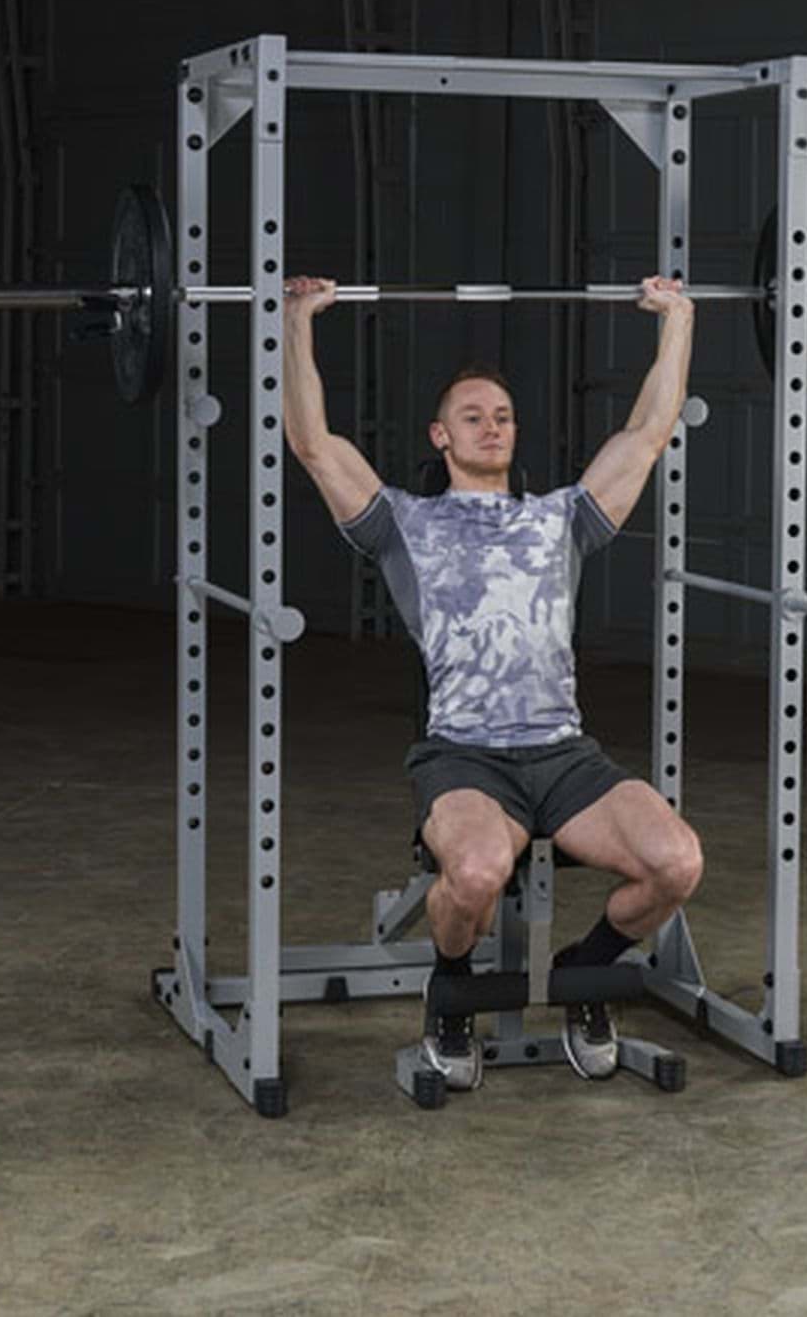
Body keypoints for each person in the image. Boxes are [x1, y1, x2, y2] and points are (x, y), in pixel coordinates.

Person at [282, 274, 704, 1090]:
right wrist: (298, 321)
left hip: (564, 755)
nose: (491, 426)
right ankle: (450, 994)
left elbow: (648, 433)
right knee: (475, 875)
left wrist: (678, 319)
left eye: (503, 415)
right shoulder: (404, 523)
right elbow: (313, 443)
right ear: (441, 435)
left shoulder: (562, 518)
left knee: (676, 863)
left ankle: (586, 972)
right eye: (472, 416)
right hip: (464, 757)